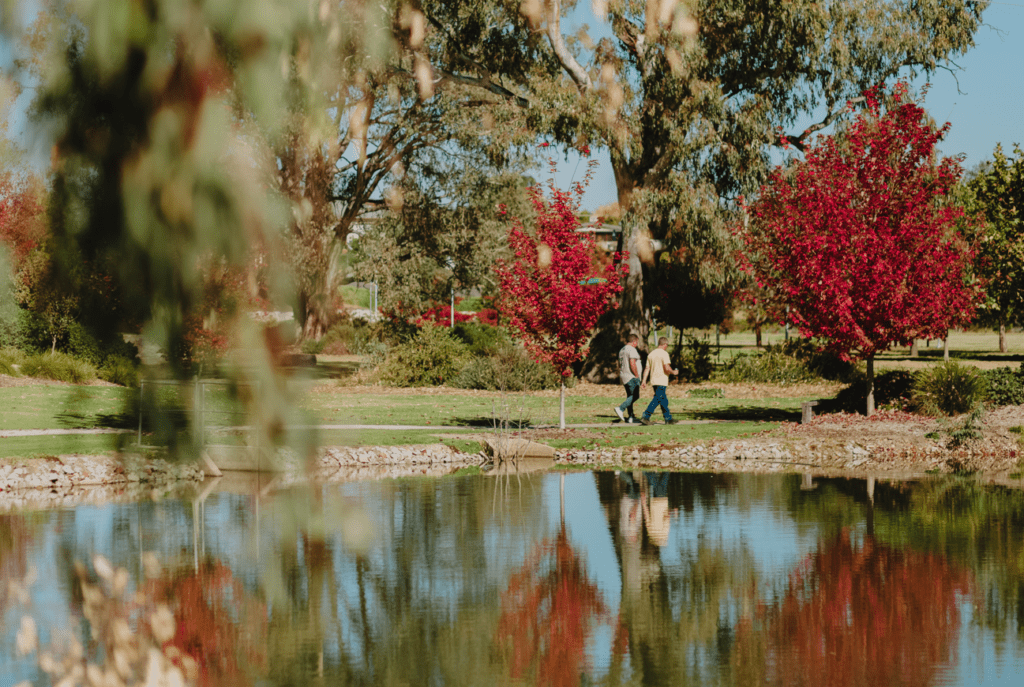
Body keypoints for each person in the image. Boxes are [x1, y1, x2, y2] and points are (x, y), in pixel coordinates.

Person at [639, 337, 678, 425]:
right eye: (667, 345)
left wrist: (644, 380)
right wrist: (673, 372)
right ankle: (646, 416)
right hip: (662, 380)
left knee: (663, 400)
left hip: (654, 381)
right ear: (665, 344)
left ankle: (668, 418)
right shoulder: (664, 354)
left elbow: (647, 368)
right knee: (657, 399)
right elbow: (666, 367)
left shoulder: (651, 354)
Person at [614, 334, 643, 423]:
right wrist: (636, 374)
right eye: (637, 342)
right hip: (631, 376)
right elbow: (632, 363)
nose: (637, 344)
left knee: (630, 397)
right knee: (635, 396)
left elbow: (620, 363)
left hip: (624, 375)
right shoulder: (631, 349)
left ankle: (630, 417)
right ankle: (621, 408)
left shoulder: (622, 350)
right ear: (634, 341)